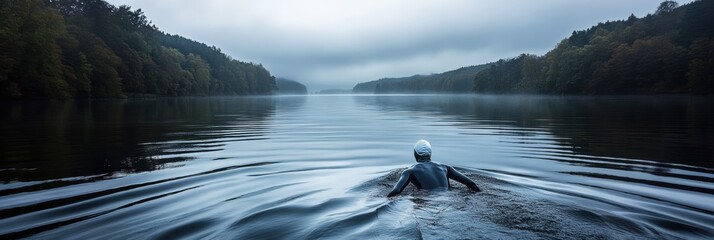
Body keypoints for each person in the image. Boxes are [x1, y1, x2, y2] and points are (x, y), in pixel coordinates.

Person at [388, 139, 481, 197]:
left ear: (415, 154)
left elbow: (396, 191)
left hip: (427, 199)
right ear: (430, 154)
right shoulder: (445, 167)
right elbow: (471, 183)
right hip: (448, 197)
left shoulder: (410, 171)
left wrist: (386, 198)